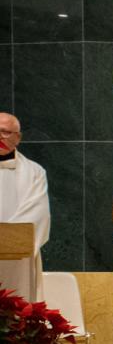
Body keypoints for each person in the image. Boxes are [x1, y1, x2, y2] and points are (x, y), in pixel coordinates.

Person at [0, 113, 49, 301]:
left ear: (18, 137)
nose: (0, 137)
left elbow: (38, 212)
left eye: (5, 132)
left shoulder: (34, 172)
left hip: (19, 258)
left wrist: (8, 238)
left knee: (18, 310)